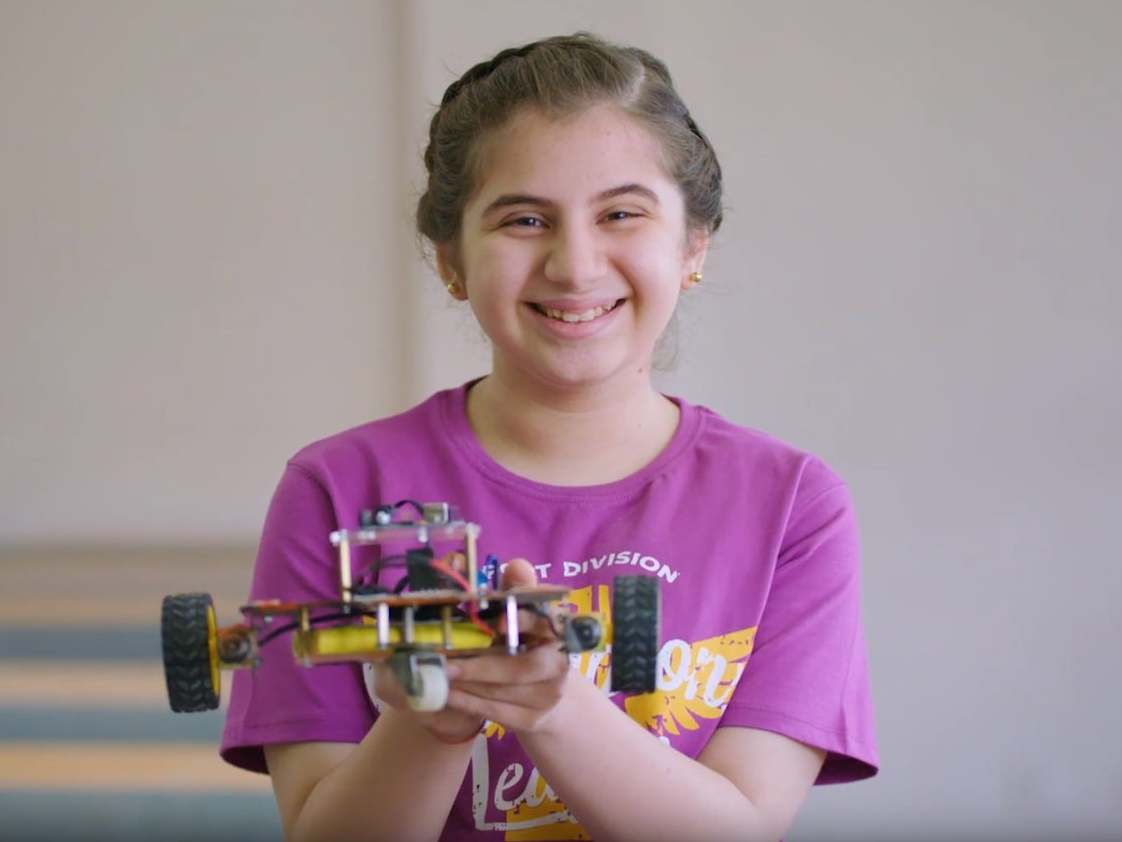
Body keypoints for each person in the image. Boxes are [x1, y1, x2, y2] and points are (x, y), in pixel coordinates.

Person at [220, 32, 878, 842]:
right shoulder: (336, 488)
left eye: (622, 214)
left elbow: (737, 829)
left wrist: (557, 706)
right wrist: (432, 717)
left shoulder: (789, 505)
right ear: (452, 261)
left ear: (692, 247)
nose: (574, 264)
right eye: (525, 219)